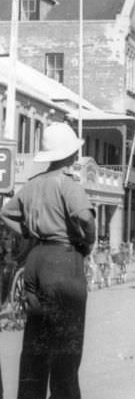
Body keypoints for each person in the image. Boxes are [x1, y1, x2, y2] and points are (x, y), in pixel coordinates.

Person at [0, 122, 96, 398]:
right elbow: (85, 218)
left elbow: (6, 214)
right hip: (63, 260)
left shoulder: (32, 186)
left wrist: (29, 233)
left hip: (35, 260)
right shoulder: (68, 185)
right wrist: (86, 242)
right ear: (70, 155)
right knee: (66, 343)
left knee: (36, 342)